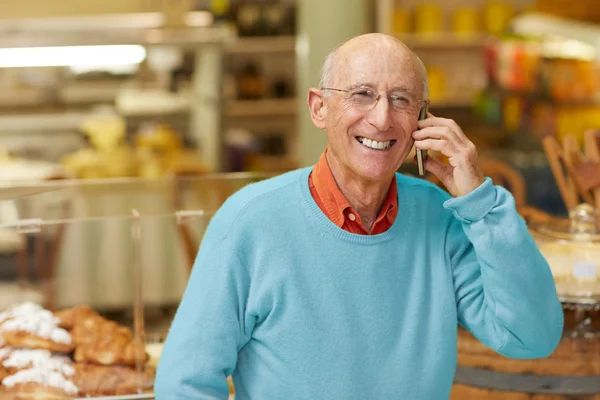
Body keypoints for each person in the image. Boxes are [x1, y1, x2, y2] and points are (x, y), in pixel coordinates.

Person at [155, 33, 563, 399]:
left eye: (401, 99)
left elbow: (533, 336)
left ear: (422, 120)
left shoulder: (443, 220)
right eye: (362, 94)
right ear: (319, 108)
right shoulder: (248, 221)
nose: (382, 118)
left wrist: (481, 203)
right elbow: (185, 383)